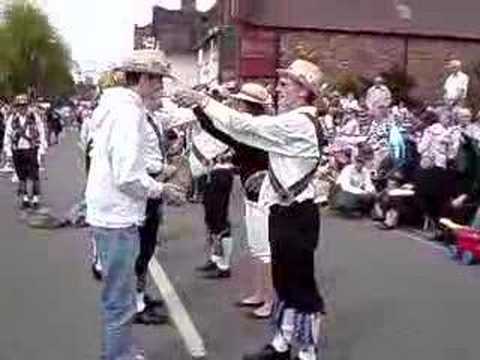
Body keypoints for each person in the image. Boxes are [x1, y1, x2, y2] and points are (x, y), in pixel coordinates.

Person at [174, 58, 327, 360]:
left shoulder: (299, 122)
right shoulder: (292, 120)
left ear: (303, 92)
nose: (278, 89)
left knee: (300, 286)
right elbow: (240, 133)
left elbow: (243, 126)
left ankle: (307, 352)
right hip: (285, 211)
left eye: (285, 85)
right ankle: (282, 344)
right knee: (284, 282)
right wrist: (202, 107)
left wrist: (203, 100)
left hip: (298, 213)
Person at [85, 49, 183, 360]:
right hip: (118, 217)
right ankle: (118, 356)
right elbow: (127, 176)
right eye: (157, 80)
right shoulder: (128, 113)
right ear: (141, 78)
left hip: (111, 214)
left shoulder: (118, 107)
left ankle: (122, 350)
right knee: (120, 300)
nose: (161, 88)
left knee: (120, 296)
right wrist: (162, 189)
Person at [193, 82, 273, 318]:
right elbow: (221, 133)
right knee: (258, 249)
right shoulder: (250, 129)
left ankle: (268, 300)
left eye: (239, 101)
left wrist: (199, 106)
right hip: (253, 194)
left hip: (264, 194)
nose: (235, 104)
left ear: (248, 106)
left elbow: (221, 132)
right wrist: (198, 108)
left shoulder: (257, 128)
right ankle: (260, 294)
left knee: (265, 251)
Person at [3, 94, 47, 209]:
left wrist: (42, 148)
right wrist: (8, 151)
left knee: (33, 174)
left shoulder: (34, 117)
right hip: (17, 149)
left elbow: (41, 131)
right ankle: (26, 198)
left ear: (27, 106)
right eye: (19, 106)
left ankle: (36, 198)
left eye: (24, 105)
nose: (22, 108)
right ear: (16, 107)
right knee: (21, 175)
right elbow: (7, 135)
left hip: (31, 148)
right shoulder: (12, 118)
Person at [331, 146, 376, 215]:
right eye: (358, 162)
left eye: (361, 162)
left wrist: (370, 191)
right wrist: (362, 192)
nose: (359, 164)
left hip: (356, 192)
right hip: (342, 191)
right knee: (347, 198)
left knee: (371, 196)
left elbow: (368, 183)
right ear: (355, 161)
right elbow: (345, 186)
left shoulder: (364, 171)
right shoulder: (348, 169)